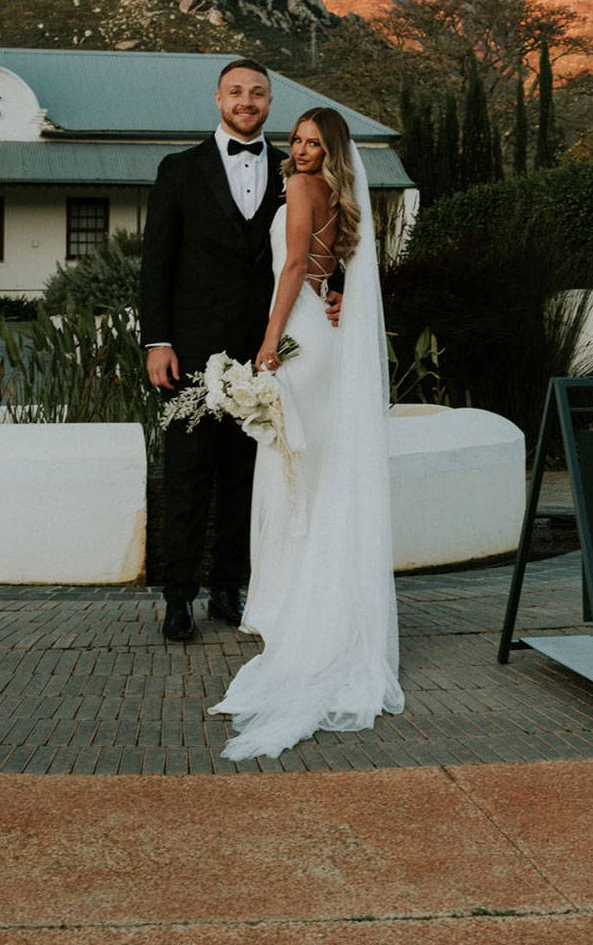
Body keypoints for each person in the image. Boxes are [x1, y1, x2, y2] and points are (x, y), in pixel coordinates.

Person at [209, 107, 405, 760]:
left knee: (293, 476)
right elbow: (329, 270)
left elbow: (293, 266)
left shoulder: (300, 189)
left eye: (312, 144)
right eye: (295, 140)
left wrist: (266, 344)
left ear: (330, 152)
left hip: (296, 337)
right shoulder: (338, 197)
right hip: (324, 337)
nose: (299, 151)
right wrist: (326, 300)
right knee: (316, 476)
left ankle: (297, 612)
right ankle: (317, 603)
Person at [140, 58, 284, 641]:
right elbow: (157, 262)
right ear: (217, 99)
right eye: (236, 92)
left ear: (269, 101)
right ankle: (178, 597)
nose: (246, 100)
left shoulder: (290, 169)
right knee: (187, 476)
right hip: (192, 352)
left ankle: (229, 588)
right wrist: (158, 341)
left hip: (268, 352)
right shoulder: (180, 169)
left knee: (248, 477)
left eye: (257, 92)